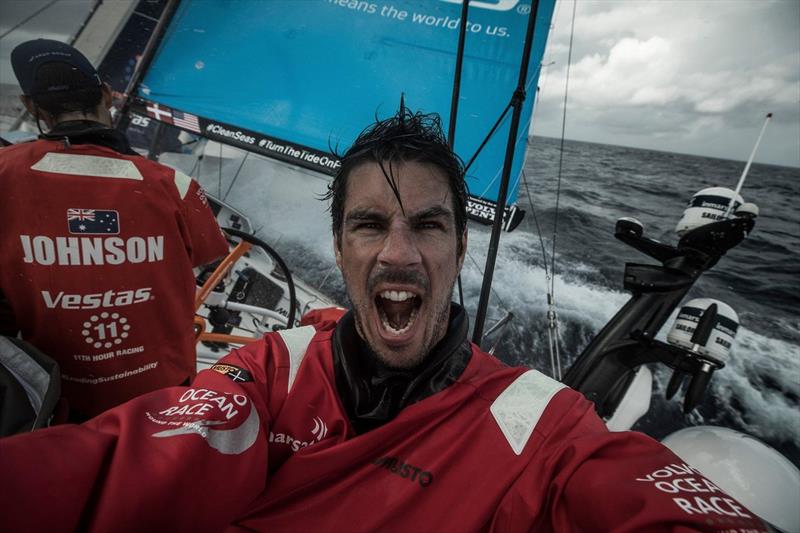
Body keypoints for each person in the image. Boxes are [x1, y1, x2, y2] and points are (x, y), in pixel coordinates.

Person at [0, 106, 768, 532]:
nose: (398, 253)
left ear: (461, 246)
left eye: (428, 226)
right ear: (339, 244)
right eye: (370, 225)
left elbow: (637, 499)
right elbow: (126, 463)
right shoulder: (274, 370)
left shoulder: (543, 426)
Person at [0, 40, 228, 420]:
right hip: (160, 401)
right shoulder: (174, 185)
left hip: (54, 404)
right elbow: (208, 253)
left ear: (31, 107)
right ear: (107, 94)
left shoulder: (5, 175)